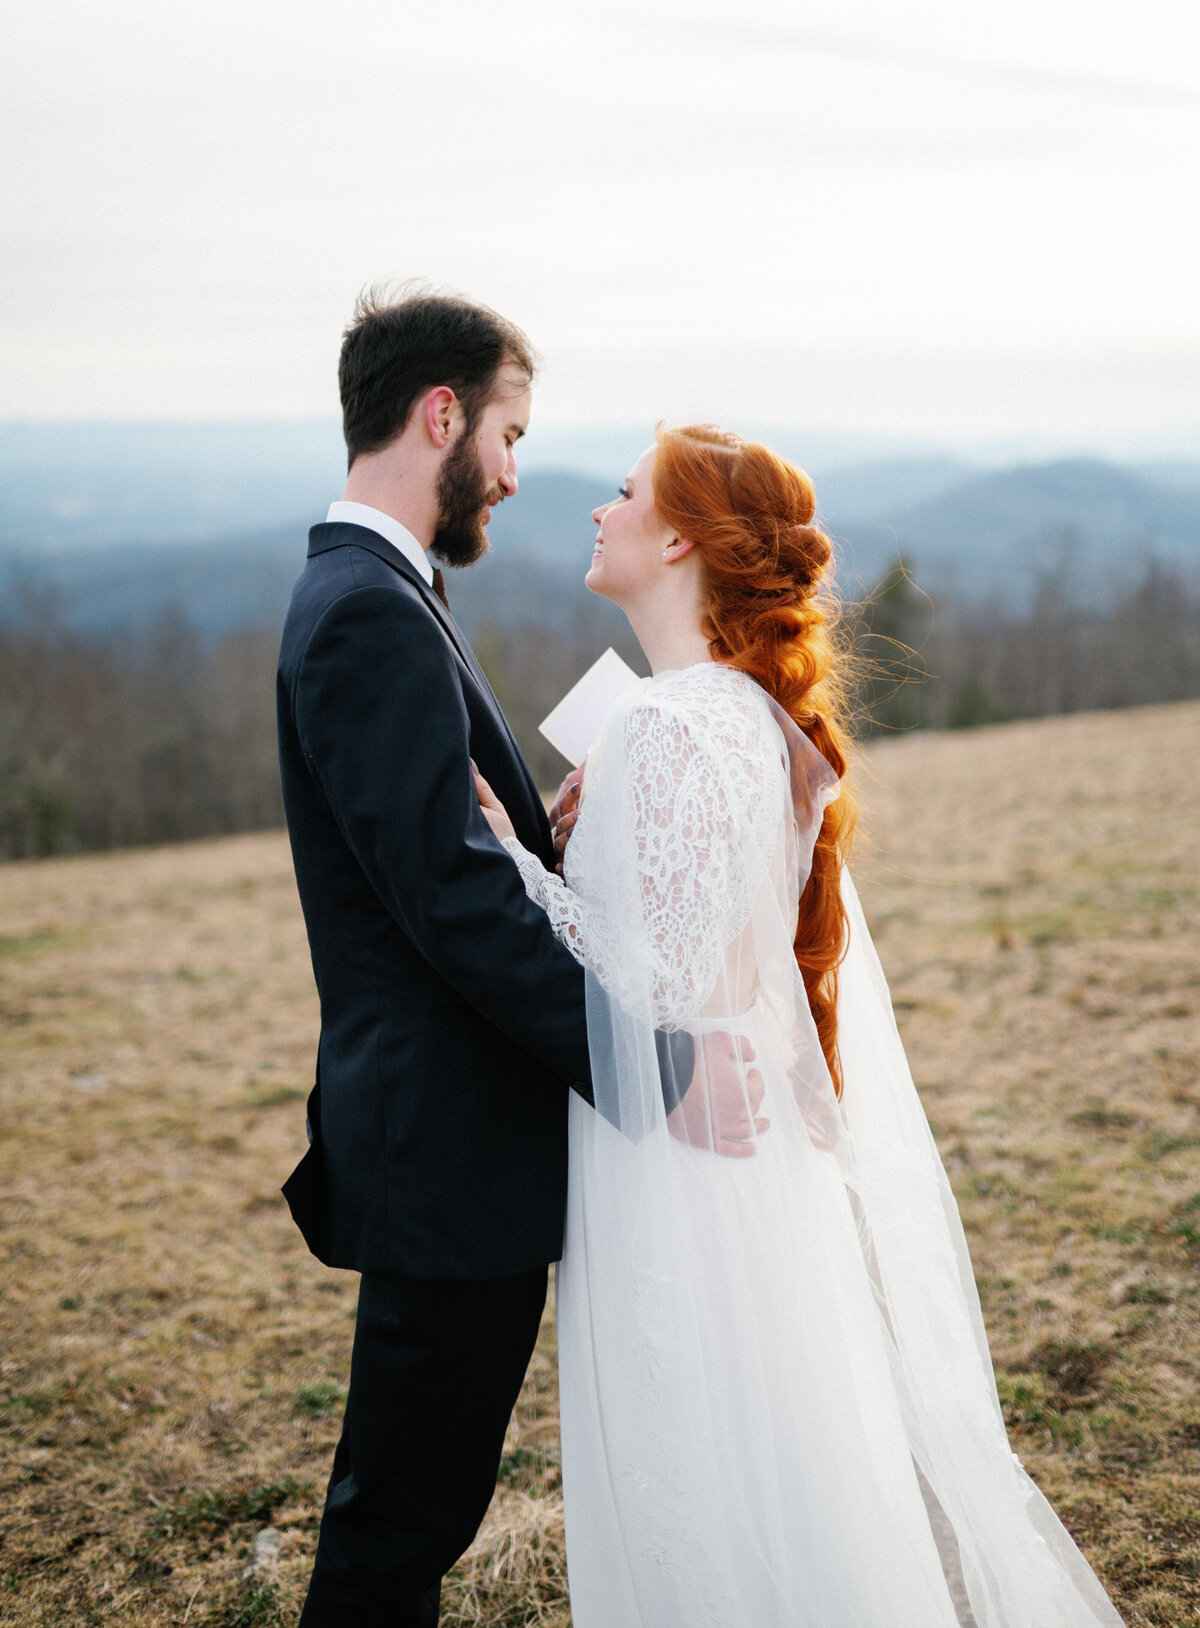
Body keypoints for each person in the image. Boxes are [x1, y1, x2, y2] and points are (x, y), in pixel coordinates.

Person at [475, 424, 1128, 1627]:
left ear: (677, 538)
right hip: (740, 1141)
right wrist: (582, 845)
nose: (598, 512)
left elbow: (651, 985)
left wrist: (518, 866)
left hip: (677, 1150)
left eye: (623, 495)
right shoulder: (738, 717)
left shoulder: (671, 727)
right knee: (779, 1442)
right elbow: (719, 947)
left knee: (701, 1455)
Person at [275, 290, 760, 1627]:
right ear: (442, 415)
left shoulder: (381, 591)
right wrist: (660, 1072)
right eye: (507, 433)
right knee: (398, 1531)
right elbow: (450, 906)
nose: (512, 471)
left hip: (454, 1147)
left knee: (411, 1512)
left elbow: (450, 867)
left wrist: (541, 856)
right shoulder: (369, 606)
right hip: (444, 1152)